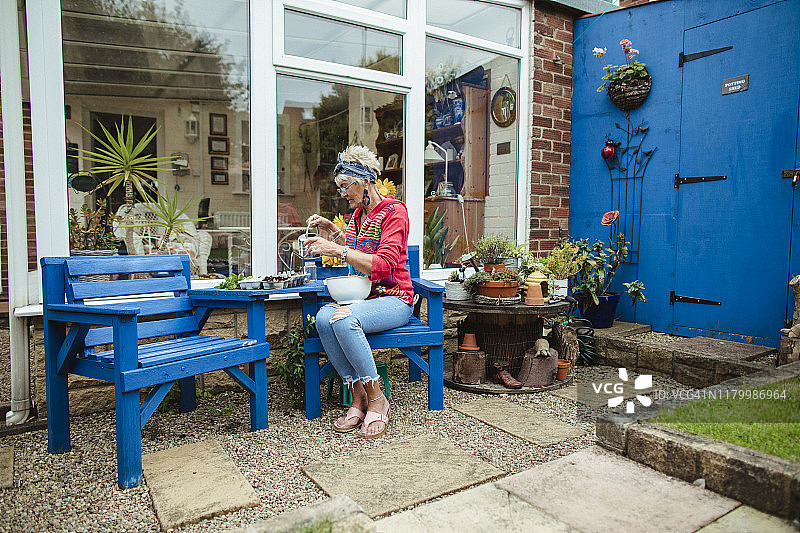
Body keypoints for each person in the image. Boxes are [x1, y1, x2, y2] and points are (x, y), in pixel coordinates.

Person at [304, 145, 414, 438]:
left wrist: (337, 250)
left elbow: (384, 264)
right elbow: (357, 249)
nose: (343, 194)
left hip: (395, 300)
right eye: (339, 188)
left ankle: (378, 398)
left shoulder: (394, 212)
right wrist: (334, 231)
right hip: (365, 300)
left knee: (343, 319)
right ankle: (358, 396)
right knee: (325, 318)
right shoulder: (356, 216)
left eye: (345, 187)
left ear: (364, 180)